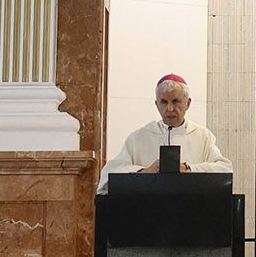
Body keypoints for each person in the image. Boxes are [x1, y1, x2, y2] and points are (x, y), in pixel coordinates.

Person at [97, 75, 233, 193]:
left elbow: (225, 169)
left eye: (175, 101)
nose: (169, 108)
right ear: (157, 104)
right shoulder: (138, 138)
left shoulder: (203, 136)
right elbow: (107, 176)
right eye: (164, 102)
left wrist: (189, 168)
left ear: (188, 103)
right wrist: (144, 171)